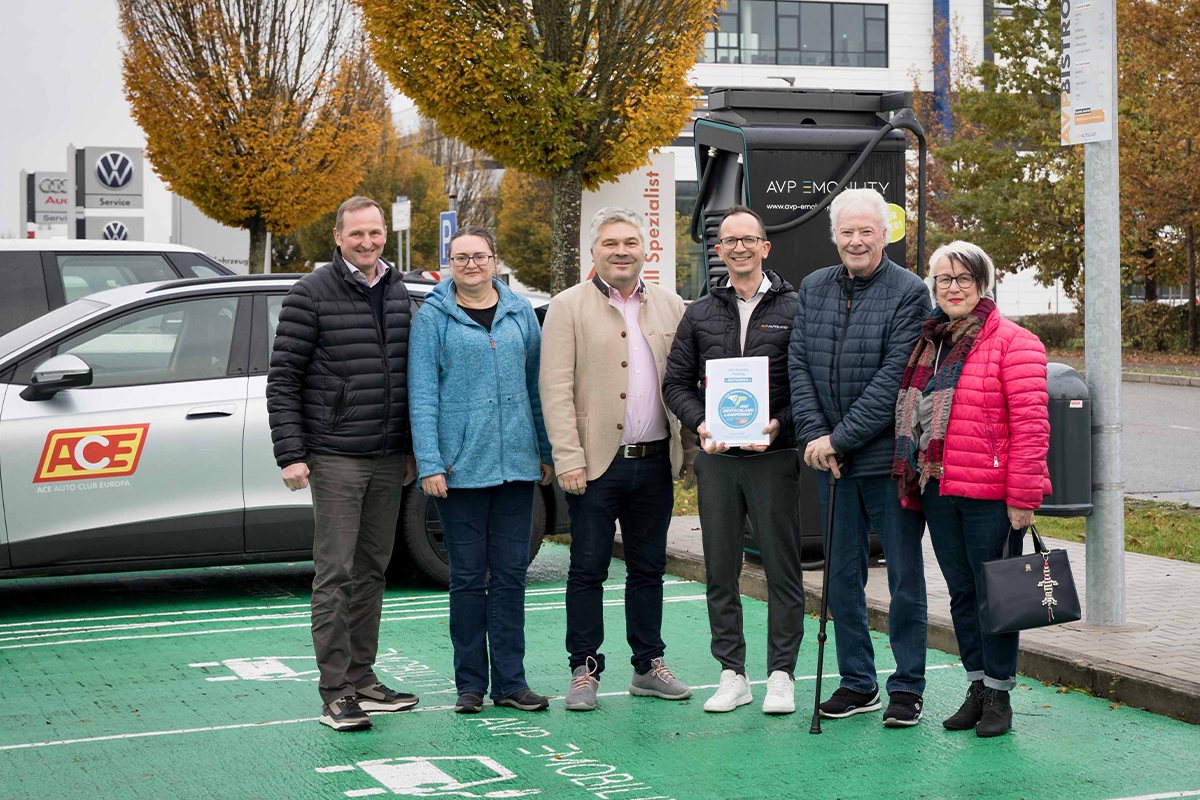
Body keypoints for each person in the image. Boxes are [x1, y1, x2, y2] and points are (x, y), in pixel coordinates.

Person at [267, 195, 420, 732]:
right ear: (338, 236)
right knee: (335, 574)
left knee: (372, 570)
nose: (368, 242)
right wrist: (291, 452)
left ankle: (362, 677)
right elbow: (283, 378)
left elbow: (408, 378)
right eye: (357, 234)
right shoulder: (311, 293)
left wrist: (409, 448)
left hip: (387, 456)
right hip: (335, 456)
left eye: (375, 233)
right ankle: (335, 691)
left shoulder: (400, 292)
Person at [539, 207, 696, 712]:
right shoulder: (567, 307)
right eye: (611, 243)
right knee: (587, 570)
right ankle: (584, 668)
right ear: (594, 251)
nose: (621, 251)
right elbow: (555, 388)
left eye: (630, 242)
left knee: (648, 569)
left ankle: (648, 665)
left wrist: (688, 453)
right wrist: (568, 456)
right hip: (593, 463)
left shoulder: (673, 305)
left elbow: (685, 383)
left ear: (645, 249)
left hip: (653, 462)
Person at [892, 241, 1050, 737]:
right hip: (940, 489)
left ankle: (1000, 696)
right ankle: (977, 686)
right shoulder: (930, 342)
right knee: (962, 594)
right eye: (943, 279)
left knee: (996, 598)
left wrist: (1023, 498)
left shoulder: (1015, 342)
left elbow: (1031, 428)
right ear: (933, 286)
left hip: (992, 497)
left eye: (963, 278)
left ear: (983, 284)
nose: (952, 287)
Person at [787, 187, 932, 727]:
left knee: (903, 578)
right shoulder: (815, 287)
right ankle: (857, 682)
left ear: (885, 232)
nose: (855, 240)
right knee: (840, 577)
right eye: (846, 231)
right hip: (833, 464)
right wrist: (817, 437)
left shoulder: (910, 292)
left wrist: (839, 439)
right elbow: (799, 365)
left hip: (888, 463)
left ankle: (908, 686)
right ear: (834, 236)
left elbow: (895, 379)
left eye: (866, 231)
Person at [662, 205, 805, 715]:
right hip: (718, 459)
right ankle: (733, 673)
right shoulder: (699, 312)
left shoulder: (796, 307)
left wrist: (779, 426)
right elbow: (675, 383)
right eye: (729, 241)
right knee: (720, 569)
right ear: (718, 251)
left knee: (782, 570)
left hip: (774, 457)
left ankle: (782, 674)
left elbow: (805, 386)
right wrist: (700, 425)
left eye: (749, 240)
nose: (739, 248)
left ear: (765, 248)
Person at [408, 225, 555, 715]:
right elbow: (423, 393)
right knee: (468, 578)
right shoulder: (433, 317)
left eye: (480, 256)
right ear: (449, 263)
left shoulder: (519, 313)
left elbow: (537, 387)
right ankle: (469, 684)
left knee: (511, 576)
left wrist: (546, 451)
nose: (471, 264)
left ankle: (511, 682)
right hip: (460, 468)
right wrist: (431, 462)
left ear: (495, 260)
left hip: (516, 466)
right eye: (461, 257)